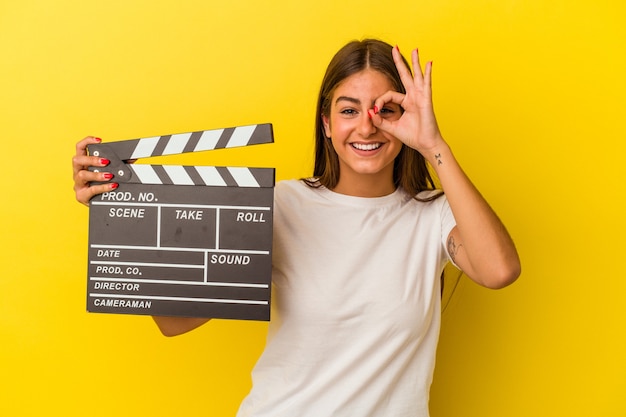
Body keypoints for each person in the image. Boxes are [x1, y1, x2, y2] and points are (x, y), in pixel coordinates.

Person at [72, 39, 521, 417]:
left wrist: (433, 143)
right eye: (349, 110)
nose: (366, 126)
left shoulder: (434, 216)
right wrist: (124, 210)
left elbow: (499, 270)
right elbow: (176, 320)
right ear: (326, 124)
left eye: (384, 110)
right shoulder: (283, 206)